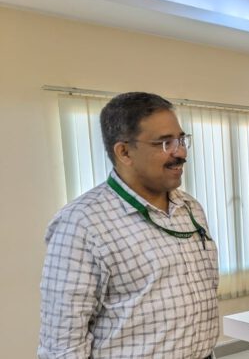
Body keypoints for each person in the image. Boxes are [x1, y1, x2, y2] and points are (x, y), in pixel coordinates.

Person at [39, 93, 218, 358]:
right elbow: (62, 345)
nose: (180, 152)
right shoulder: (81, 224)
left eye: (181, 140)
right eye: (165, 143)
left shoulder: (190, 209)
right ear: (124, 152)